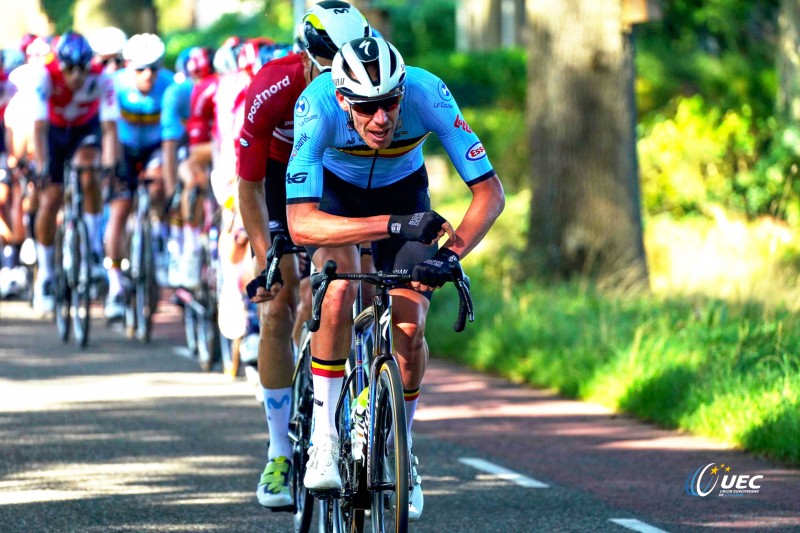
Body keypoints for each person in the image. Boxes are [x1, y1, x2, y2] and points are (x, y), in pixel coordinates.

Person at [285, 36, 505, 521]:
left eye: (389, 103)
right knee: (339, 285)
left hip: (406, 197)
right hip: (337, 202)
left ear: (402, 92)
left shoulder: (428, 93)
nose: (381, 119)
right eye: (366, 108)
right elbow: (302, 224)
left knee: (410, 324)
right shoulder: (316, 106)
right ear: (343, 98)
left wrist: (451, 254)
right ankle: (324, 434)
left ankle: (401, 450)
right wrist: (390, 225)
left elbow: (490, 193)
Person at [236, 0, 371, 509]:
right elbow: (247, 186)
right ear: (308, 58)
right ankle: (278, 453)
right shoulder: (274, 86)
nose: (344, 74)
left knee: (352, 280)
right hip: (275, 182)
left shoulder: (369, 80)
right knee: (277, 302)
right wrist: (265, 253)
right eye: (332, 62)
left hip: (335, 174)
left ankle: (352, 398)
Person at [30, 31, 119, 315]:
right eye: (70, 69)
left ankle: (93, 247)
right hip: (55, 133)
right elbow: (39, 130)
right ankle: (45, 274)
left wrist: (110, 164)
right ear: (61, 65)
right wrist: (43, 168)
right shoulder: (45, 77)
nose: (76, 76)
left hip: (83, 130)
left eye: (82, 68)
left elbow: (109, 130)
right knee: (50, 199)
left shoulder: (101, 78)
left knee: (89, 168)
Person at [105, 33, 173, 319]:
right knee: (119, 210)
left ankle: (157, 235)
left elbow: (171, 139)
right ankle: (115, 284)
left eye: (154, 68)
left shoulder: (170, 85)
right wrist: (110, 167)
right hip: (124, 148)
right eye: (141, 69)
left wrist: (170, 190)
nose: (148, 75)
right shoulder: (114, 84)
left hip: (155, 148)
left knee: (158, 185)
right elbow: (107, 130)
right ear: (128, 66)